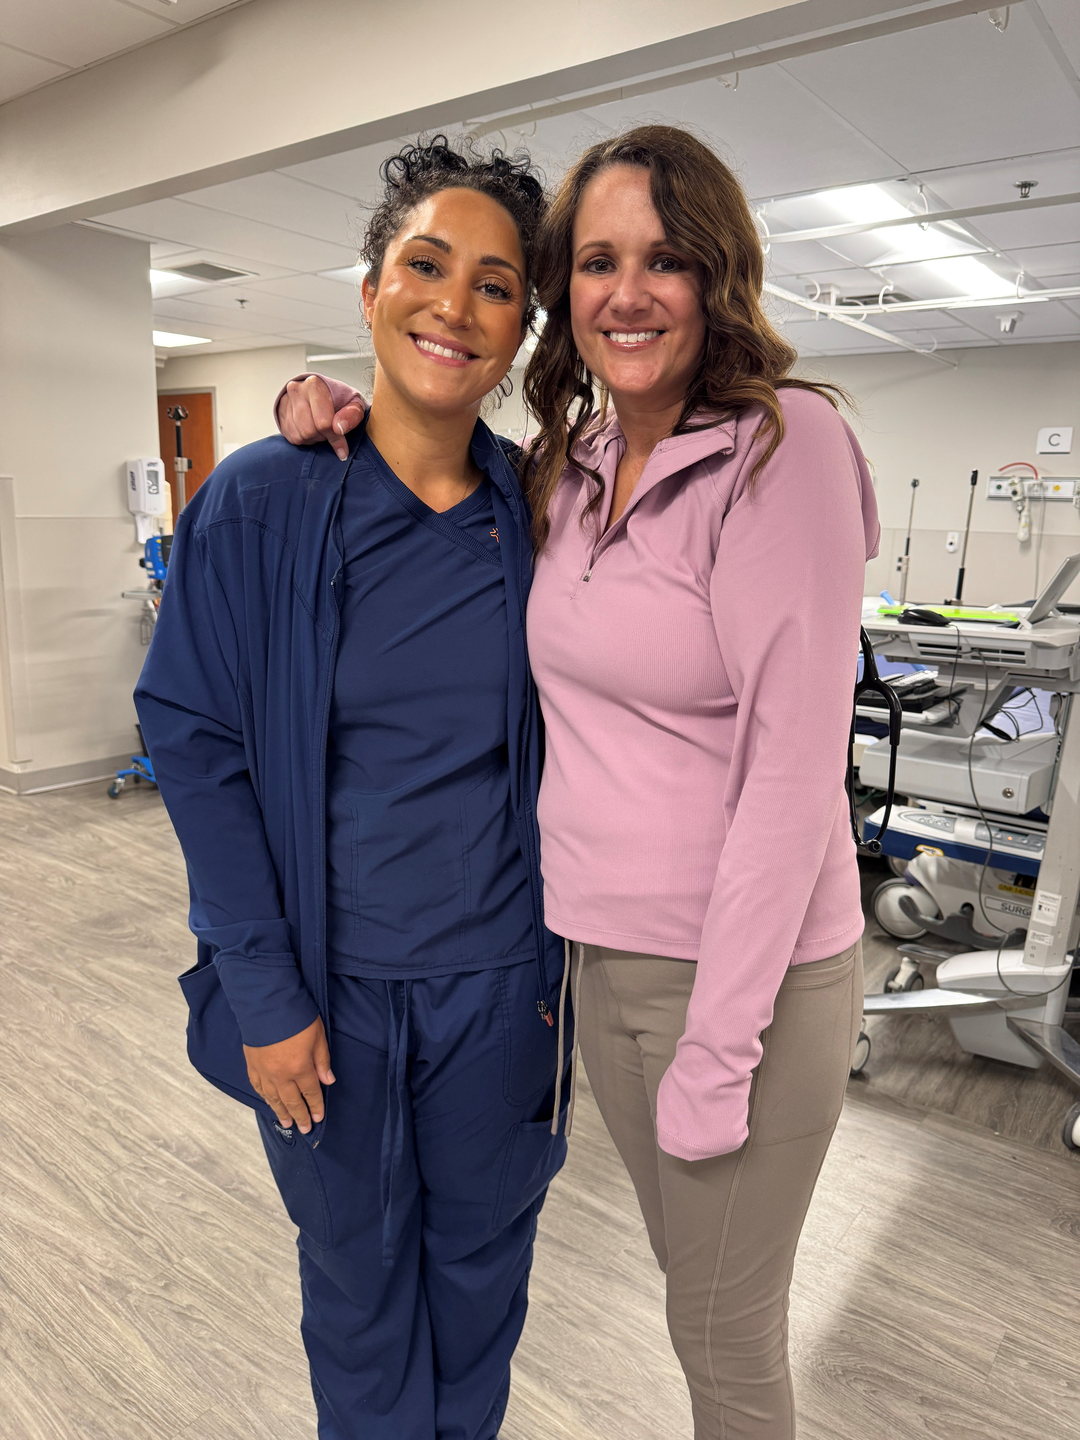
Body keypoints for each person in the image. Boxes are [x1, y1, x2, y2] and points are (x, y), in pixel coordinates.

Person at [277, 125, 879, 1439]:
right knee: (690, 1298)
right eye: (596, 261)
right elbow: (436, 462)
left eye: (665, 259)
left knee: (723, 1337)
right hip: (592, 970)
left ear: (719, 274)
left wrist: (722, 1050)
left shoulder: (789, 450)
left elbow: (793, 780)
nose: (628, 291)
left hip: (748, 983)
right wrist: (316, 411)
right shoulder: (577, 466)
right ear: (565, 293)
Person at [136, 137, 571, 1440]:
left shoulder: (541, 518)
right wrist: (264, 992)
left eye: (496, 285)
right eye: (426, 265)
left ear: (520, 329)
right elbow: (195, 740)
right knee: (359, 1295)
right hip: (327, 1000)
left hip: (501, 994)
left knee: (482, 1285)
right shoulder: (263, 501)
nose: (456, 302)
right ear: (371, 287)